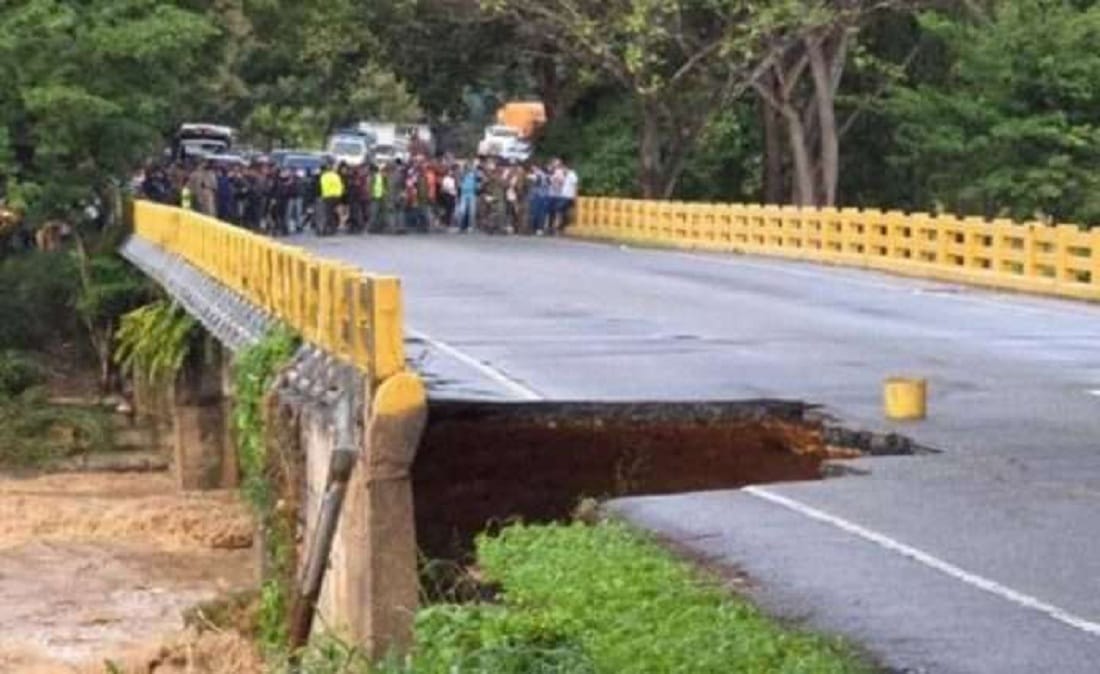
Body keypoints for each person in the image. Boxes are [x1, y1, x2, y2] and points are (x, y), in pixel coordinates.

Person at [318, 161, 344, 236]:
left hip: (327, 196)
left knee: (328, 213)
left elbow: (322, 186)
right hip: (337, 196)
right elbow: (341, 186)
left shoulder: (324, 176)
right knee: (333, 212)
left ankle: (328, 229)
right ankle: (333, 228)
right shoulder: (336, 175)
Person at [457, 160, 480, 233]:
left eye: (470, 166)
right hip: (464, 194)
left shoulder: (474, 174)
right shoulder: (462, 174)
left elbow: (478, 183)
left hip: (471, 193)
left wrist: (477, 187)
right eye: (467, 166)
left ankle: (471, 226)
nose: (469, 167)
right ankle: (462, 226)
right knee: (462, 211)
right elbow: (458, 183)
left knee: (472, 211)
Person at [558, 158, 579, 231]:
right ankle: (563, 225)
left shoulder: (572, 175)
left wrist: (575, 196)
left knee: (563, 210)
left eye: (563, 168)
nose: (562, 170)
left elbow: (576, 185)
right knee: (562, 211)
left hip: (568, 196)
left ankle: (564, 224)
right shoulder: (566, 175)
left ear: (566, 168)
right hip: (564, 195)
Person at [369, 163, 387, 233]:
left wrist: (370, 195)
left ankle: (373, 228)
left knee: (374, 213)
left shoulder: (374, 177)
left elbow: (370, 187)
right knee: (380, 213)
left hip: (376, 197)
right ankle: (379, 227)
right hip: (381, 196)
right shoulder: (381, 176)